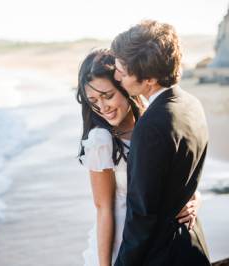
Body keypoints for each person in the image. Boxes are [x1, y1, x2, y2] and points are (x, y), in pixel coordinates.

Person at [76, 48, 201, 266]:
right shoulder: (101, 140)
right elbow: (103, 209)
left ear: (124, 86)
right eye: (93, 100)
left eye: (108, 96)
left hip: (161, 241)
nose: (102, 107)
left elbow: (179, 174)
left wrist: (194, 199)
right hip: (124, 243)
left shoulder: (152, 123)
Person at [111, 20, 210, 265]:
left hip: (164, 256)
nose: (116, 76)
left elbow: (143, 214)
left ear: (149, 80)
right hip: (194, 245)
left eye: (122, 71)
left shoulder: (151, 126)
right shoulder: (192, 104)